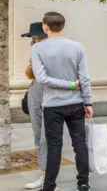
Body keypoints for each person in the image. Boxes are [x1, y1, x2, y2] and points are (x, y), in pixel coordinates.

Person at [31, 12, 92, 191]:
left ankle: (49, 186)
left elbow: (41, 78)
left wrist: (70, 86)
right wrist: (88, 102)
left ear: (45, 27)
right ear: (62, 26)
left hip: (53, 105)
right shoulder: (77, 46)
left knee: (54, 147)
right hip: (76, 104)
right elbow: (84, 78)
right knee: (80, 144)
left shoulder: (37, 48)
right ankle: (83, 183)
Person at [21, 22, 51, 191]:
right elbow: (30, 74)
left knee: (48, 137)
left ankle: (50, 179)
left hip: (50, 94)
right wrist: (30, 67)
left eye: (38, 38)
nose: (35, 41)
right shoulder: (35, 50)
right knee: (38, 136)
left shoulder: (54, 51)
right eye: (33, 39)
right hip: (35, 92)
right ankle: (44, 175)